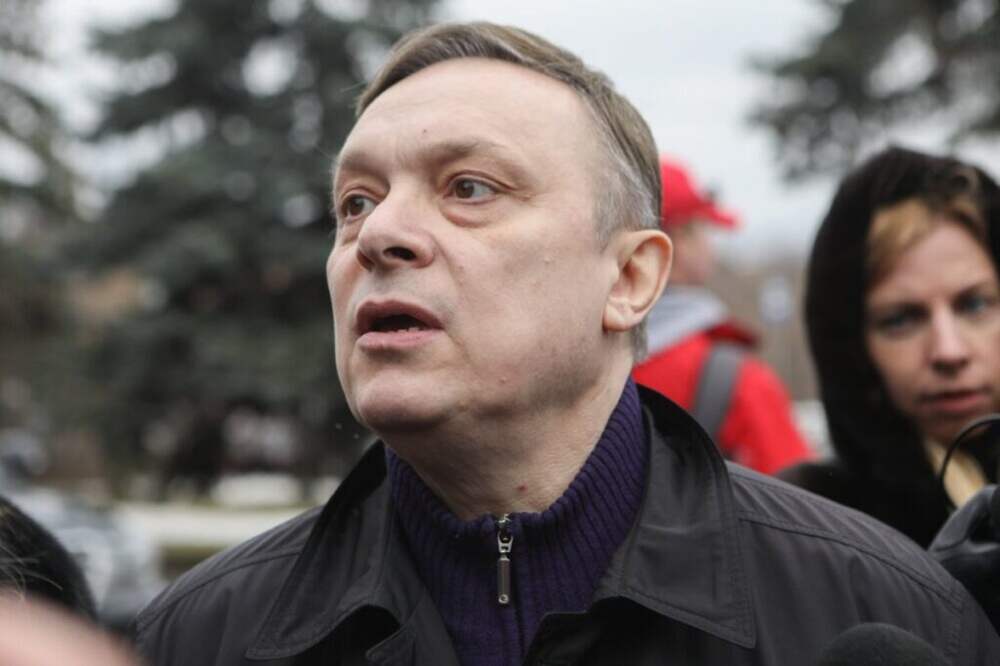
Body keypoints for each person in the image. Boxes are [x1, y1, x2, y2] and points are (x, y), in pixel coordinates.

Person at [133, 24, 1000, 665]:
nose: (380, 233)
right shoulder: (195, 638)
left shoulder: (887, 610)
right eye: (355, 202)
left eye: (469, 188)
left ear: (629, 278)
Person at [780, 146, 1000, 548]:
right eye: (901, 319)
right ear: (851, 347)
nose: (949, 351)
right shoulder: (806, 535)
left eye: (975, 305)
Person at [633, 156, 812, 473]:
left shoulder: (579, 373)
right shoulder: (739, 381)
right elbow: (798, 495)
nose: (711, 245)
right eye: (704, 229)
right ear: (676, 242)